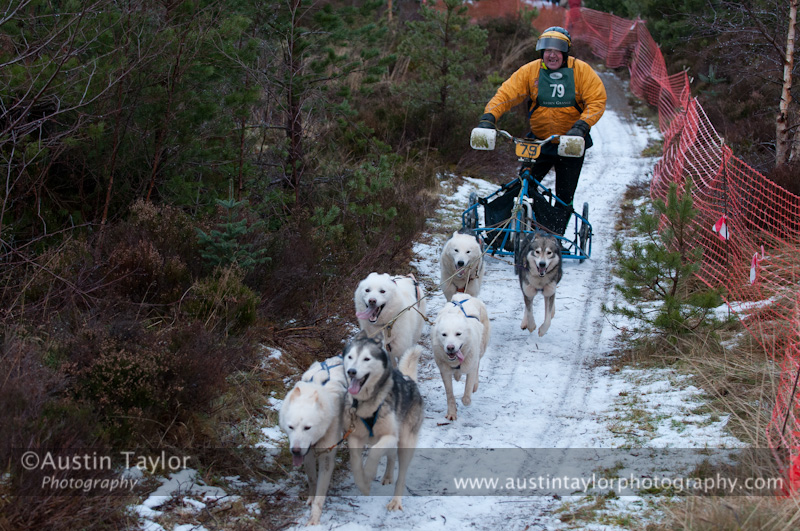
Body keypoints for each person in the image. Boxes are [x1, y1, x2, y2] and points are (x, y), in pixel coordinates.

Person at [477, 26, 606, 221]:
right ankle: (518, 227)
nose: (551, 55)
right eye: (547, 50)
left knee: (564, 196)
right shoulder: (531, 71)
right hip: (539, 143)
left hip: (570, 143)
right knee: (523, 187)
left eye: (557, 51)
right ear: (541, 52)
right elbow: (506, 95)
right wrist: (489, 117)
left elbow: (597, 100)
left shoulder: (581, 71)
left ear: (565, 53)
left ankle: (555, 237)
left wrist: (581, 126)